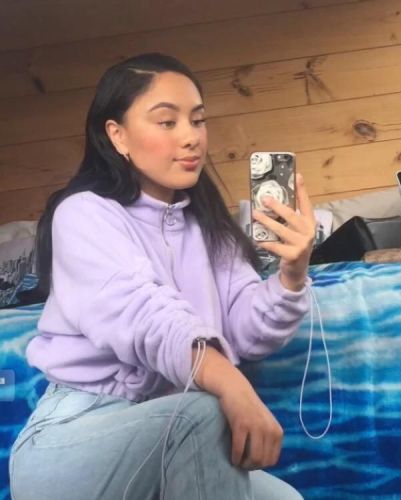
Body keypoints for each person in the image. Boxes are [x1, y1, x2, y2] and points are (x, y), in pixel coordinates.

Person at [9, 53, 316, 500]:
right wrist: (232, 386)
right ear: (117, 135)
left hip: (174, 430)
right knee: (205, 412)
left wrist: (292, 273)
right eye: (167, 122)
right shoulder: (82, 214)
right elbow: (144, 316)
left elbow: (246, 332)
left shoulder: (210, 226)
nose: (191, 137)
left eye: (198, 120)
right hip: (73, 437)